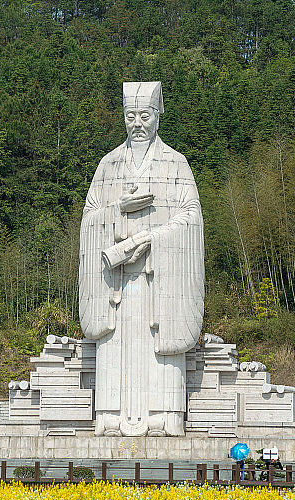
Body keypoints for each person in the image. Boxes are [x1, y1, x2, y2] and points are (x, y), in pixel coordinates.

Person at [79, 81, 204, 437]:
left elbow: (191, 217)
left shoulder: (175, 164)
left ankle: (165, 416)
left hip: (158, 285)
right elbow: (89, 217)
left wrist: (152, 238)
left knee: (160, 350)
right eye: (131, 115)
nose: (137, 123)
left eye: (145, 115)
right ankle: (109, 416)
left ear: (158, 117)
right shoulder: (108, 165)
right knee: (115, 347)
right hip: (116, 290)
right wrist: (118, 209)